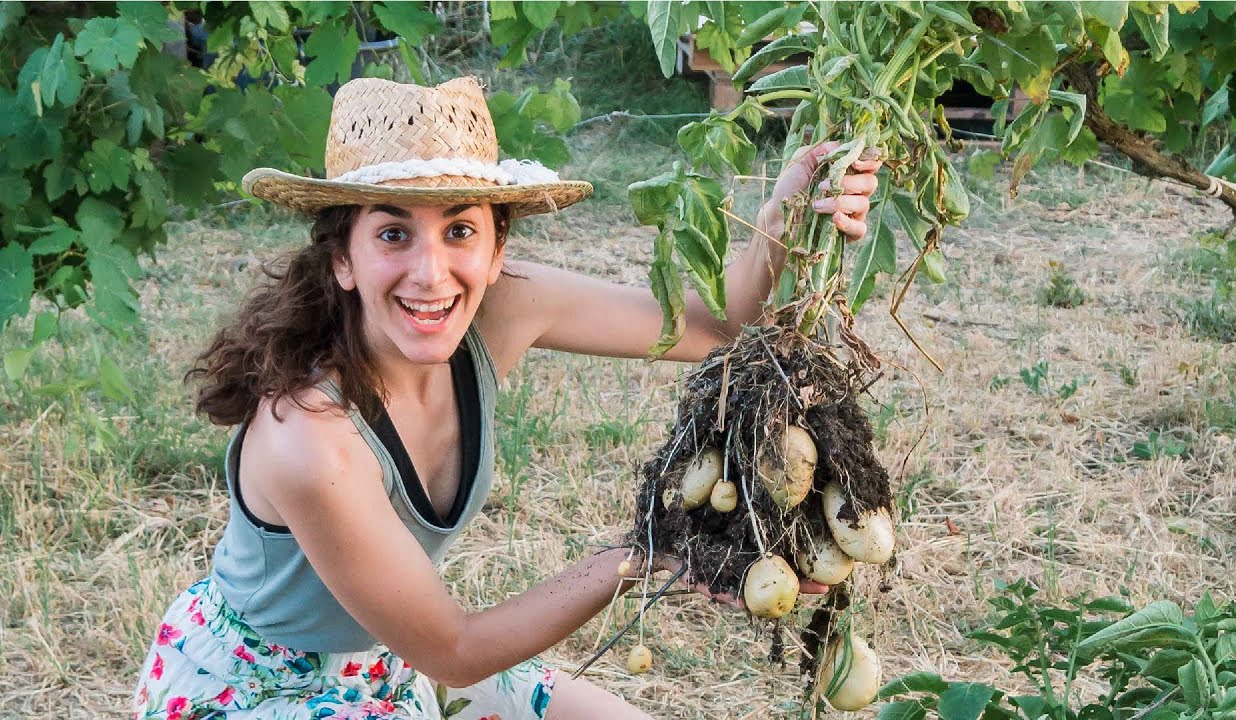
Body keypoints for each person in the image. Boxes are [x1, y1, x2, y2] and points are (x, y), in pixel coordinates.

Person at [131, 76, 881, 720]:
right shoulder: (309, 436)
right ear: (344, 260)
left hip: (388, 664)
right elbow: (454, 651)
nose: (431, 274)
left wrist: (790, 204)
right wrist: (655, 546)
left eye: (459, 230)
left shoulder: (504, 308)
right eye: (394, 234)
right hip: (258, 691)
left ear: (497, 252)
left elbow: (717, 324)